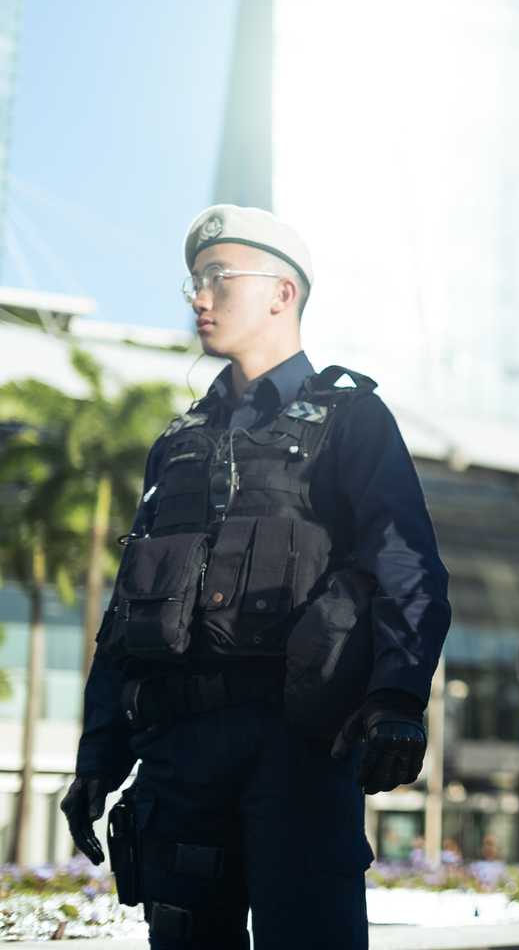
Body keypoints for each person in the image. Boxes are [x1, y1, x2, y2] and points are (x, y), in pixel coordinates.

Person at [58, 204, 452, 950]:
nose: (198, 298)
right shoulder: (178, 441)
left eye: (216, 278)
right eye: (193, 283)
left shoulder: (350, 419)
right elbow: (128, 608)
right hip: (178, 751)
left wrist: (398, 696)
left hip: (296, 745)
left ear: (282, 293)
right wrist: (96, 757)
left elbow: (405, 562)